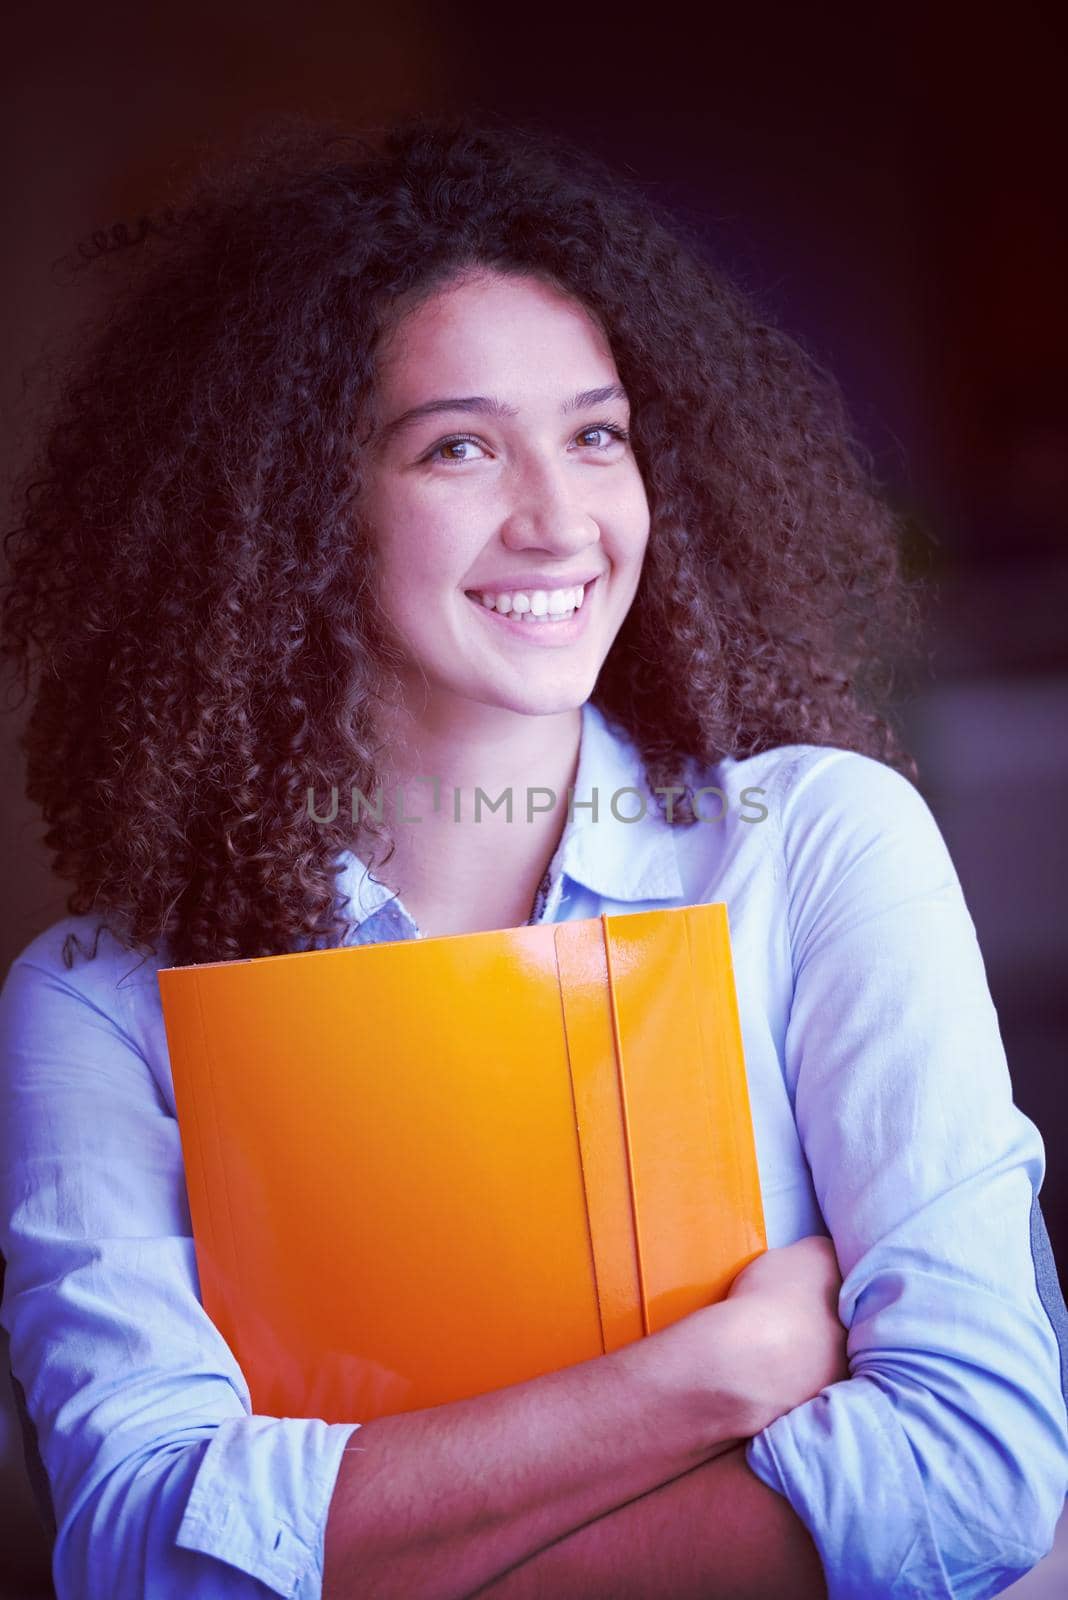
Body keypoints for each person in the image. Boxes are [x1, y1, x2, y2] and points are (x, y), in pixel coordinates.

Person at [0, 112, 1065, 1600]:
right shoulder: (103, 1004)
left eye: (596, 434)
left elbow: (976, 1472)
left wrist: (365, 1547)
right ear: (298, 508)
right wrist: (708, 1378)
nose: (561, 520)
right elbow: (137, 1553)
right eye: (458, 447)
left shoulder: (816, 848)